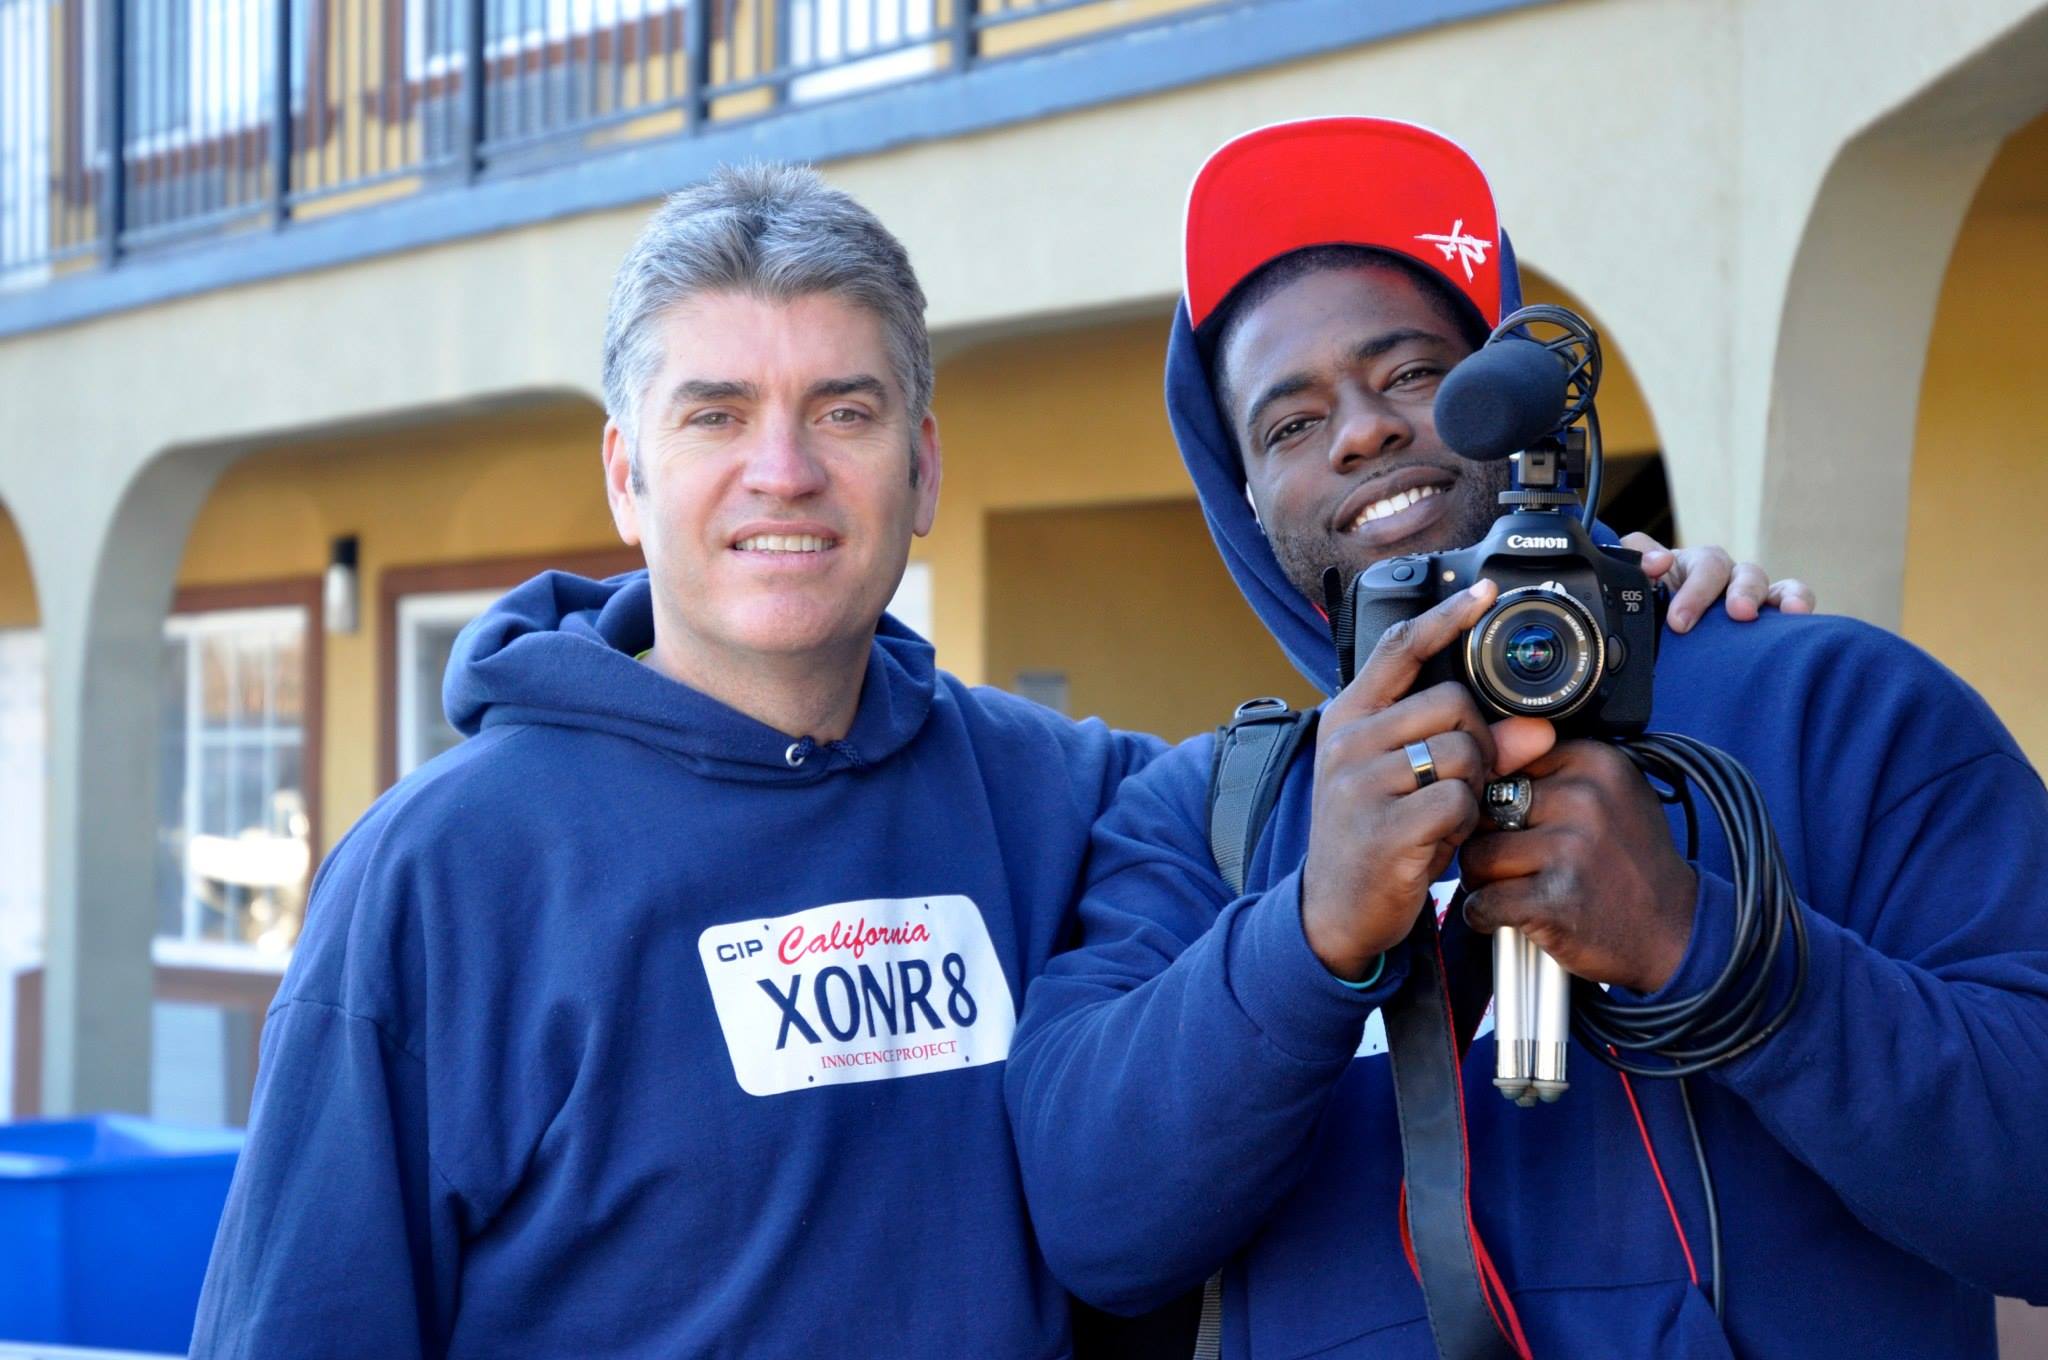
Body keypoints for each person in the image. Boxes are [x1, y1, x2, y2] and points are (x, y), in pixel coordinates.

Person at [190, 160, 1789, 1358]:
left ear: (924, 464)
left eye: (844, 410)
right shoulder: (438, 881)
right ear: (626, 473)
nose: (782, 471)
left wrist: (1626, 606)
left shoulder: (1065, 800)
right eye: (715, 415)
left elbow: (1327, 798)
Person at [1006, 117, 2048, 1359]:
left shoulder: (1829, 702)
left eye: (1410, 374)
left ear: (1520, 403)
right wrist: (1307, 934)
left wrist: (1703, 943)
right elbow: (1095, 1229)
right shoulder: (1202, 816)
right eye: (1287, 425)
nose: (1359, 431)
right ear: (1245, 502)